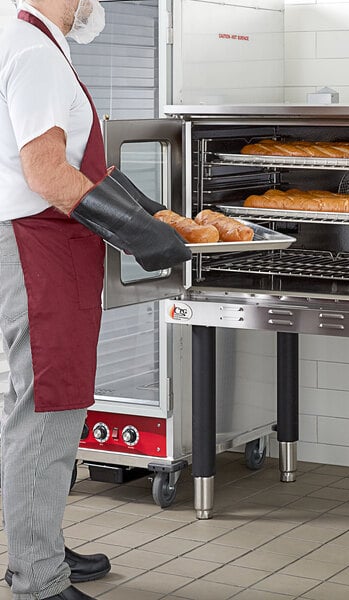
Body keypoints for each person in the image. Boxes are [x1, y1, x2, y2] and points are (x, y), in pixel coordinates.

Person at [0, 0, 190, 598]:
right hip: (39, 248)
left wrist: (154, 213)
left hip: (42, 247)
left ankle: (40, 546)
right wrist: (137, 235)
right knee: (48, 407)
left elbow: (85, 162)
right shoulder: (34, 51)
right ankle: (37, 578)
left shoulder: (28, 40)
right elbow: (48, 173)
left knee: (41, 403)